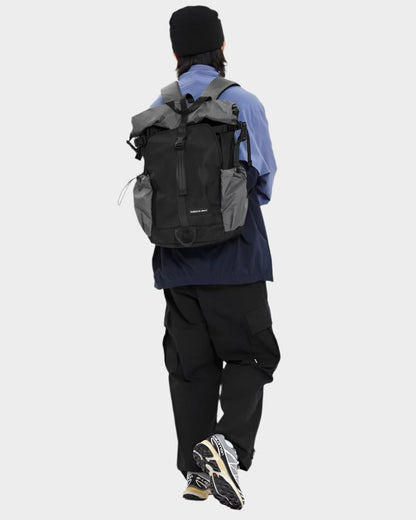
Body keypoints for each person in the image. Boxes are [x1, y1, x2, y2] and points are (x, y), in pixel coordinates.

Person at [147, 5, 280, 510]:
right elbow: (262, 183)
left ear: (175, 53)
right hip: (236, 260)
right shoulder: (242, 101)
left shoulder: (157, 108)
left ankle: (196, 472)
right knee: (252, 355)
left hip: (175, 265)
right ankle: (226, 446)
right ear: (222, 47)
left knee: (191, 368)